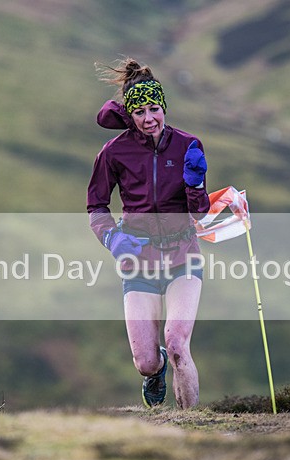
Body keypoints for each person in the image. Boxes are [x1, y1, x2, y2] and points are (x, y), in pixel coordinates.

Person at [87, 58, 210, 409]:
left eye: (154, 108)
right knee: (146, 362)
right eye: (139, 111)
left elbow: (199, 213)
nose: (149, 118)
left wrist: (196, 184)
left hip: (182, 256)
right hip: (137, 261)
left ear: (163, 106)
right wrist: (112, 239)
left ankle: (191, 427)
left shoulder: (188, 146)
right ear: (130, 115)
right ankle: (154, 373)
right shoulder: (113, 152)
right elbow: (96, 206)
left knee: (176, 343)